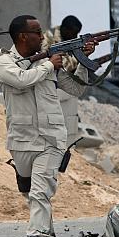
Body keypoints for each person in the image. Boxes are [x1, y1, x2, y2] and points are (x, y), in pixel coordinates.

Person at [0, 15, 94, 237]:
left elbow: (76, 89)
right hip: (21, 140)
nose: (42, 37)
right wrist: (49, 65)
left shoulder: (49, 64)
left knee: (40, 194)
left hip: (51, 139)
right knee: (34, 198)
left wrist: (84, 61)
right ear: (22, 37)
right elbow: (21, 79)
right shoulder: (4, 62)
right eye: (37, 32)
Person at [43, 15, 82, 145]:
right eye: (73, 33)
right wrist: (79, 60)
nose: (75, 37)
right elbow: (58, 65)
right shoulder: (48, 38)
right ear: (65, 29)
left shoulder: (71, 41)